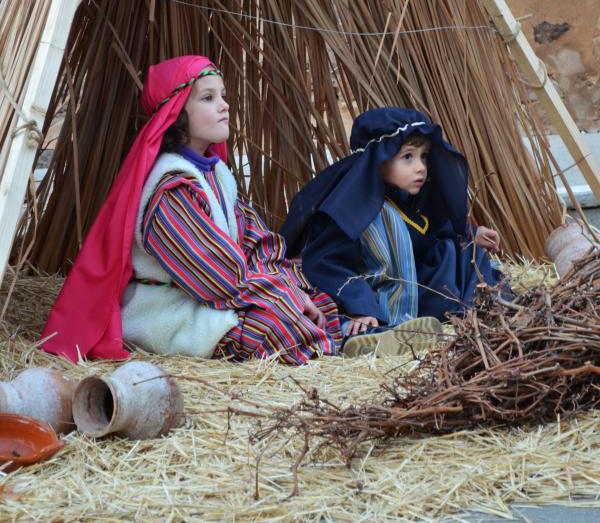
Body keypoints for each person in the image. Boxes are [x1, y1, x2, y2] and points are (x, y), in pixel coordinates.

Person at [41, 56, 341, 363]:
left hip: (211, 299)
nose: (225, 105)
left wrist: (290, 287)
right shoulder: (172, 189)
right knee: (277, 323)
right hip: (172, 313)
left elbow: (255, 241)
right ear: (178, 114)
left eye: (223, 96)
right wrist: (283, 296)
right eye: (209, 98)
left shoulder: (215, 175)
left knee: (318, 298)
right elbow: (216, 276)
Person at [281, 107, 503, 356]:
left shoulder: (410, 201)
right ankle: (376, 339)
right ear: (379, 160)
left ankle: (490, 308)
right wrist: (360, 306)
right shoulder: (351, 208)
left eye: (424, 157)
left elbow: (430, 236)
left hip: (415, 287)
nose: (420, 167)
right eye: (408, 157)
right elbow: (326, 261)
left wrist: (470, 234)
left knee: (463, 253)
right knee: (339, 321)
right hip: (371, 296)